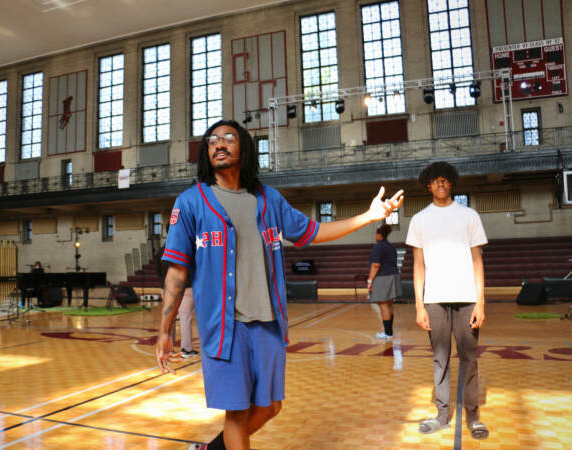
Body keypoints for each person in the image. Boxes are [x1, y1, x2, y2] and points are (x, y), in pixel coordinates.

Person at [155, 119, 404, 450]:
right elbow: (176, 271)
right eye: (212, 139)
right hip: (225, 329)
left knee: (271, 406)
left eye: (228, 137)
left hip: (269, 325)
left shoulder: (268, 199)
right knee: (237, 415)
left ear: (244, 146)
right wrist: (164, 331)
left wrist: (367, 217)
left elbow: (313, 231)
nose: (218, 143)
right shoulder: (190, 202)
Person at [405, 161, 489, 440]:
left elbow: (477, 260)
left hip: (467, 298)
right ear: (428, 185)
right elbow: (418, 266)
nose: (440, 184)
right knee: (440, 358)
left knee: (469, 359)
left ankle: (473, 416)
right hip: (435, 301)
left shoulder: (469, 216)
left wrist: (481, 302)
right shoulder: (419, 220)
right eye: (435, 180)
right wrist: (419, 305)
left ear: (451, 183)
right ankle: (442, 414)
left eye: (445, 180)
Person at [156, 227, 198, 357]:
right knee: (185, 318)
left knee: (171, 317)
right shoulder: (188, 249)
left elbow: (158, 271)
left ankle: (169, 348)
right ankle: (186, 349)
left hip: (166, 288)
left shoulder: (161, 251)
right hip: (186, 287)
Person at [367, 223, 401, 340]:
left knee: (383, 305)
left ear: (378, 234)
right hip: (394, 275)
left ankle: (387, 333)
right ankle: (389, 332)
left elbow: (376, 265)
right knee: (389, 304)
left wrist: (370, 281)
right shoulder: (391, 246)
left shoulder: (378, 246)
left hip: (383, 277)